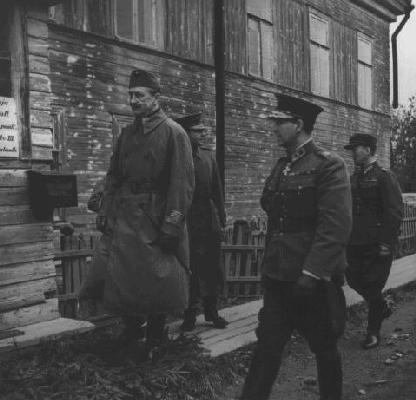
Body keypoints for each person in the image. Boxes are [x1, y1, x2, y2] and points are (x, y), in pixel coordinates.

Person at [240, 94, 352, 400]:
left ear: (299, 124)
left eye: (280, 122)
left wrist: (312, 273)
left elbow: (335, 227)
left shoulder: (328, 165)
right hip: (279, 276)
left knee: (325, 348)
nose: (274, 128)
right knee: (267, 347)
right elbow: (273, 211)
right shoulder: (282, 166)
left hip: (311, 279)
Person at [80, 69, 195, 359]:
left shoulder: (174, 132)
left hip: (155, 219)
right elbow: (113, 176)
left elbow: (182, 184)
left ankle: (155, 336)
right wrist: (106, 210)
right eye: (131, 95)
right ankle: (133, 329)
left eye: (139, 95)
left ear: (156, 98)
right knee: (120, 275)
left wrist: (172, 225)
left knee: (157, 278)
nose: (133, 101)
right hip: (125, 217)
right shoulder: (127, 134)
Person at [344, 134, 403, 349]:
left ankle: (373, 332)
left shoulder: (384, 176)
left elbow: (394, 212)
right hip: (354, 241)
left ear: (368, 150)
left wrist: (386, 243)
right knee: (352, 279)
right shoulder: (354, 177)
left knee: (372, 283)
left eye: (356, 148)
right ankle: (382, 306)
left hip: (376, 243)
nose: (352, 153)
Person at [174, 112, 228, 331]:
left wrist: (222, 218)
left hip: (208, 222)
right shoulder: (177, 158)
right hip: (187, 224)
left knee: (211, 269)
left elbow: (217, 190)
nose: (203, 133)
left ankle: (212, 312)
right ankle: (189, 315)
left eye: (203, 130)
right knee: (191, 270)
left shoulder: (207, 156)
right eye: (198, 131)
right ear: (186, 133)